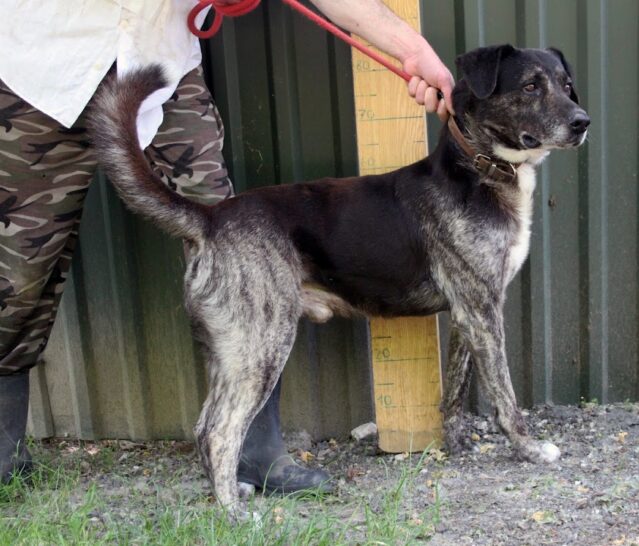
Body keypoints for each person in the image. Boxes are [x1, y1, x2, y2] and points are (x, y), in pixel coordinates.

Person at [0, 0, 455, 493]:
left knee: (242, 252)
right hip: (40, 71)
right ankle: (4, 454)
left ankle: (254, 454)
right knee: (19, 275)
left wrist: (414, 51)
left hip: (160, 64)